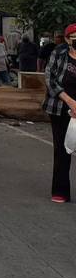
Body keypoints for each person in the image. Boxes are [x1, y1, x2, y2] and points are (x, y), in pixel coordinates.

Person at [42, 23, 76, 203]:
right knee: (62, 149)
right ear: (67, 39)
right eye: (74, 37)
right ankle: (60, 191)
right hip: (60, 108)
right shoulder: (59, 53)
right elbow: (50, 79)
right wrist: (70, 102)